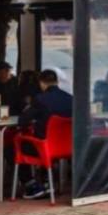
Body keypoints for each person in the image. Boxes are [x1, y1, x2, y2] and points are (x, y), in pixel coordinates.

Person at [17, 69, 73, 200]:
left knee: (15, 146)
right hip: (67, 147)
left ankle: (32, 185)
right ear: (57, 82)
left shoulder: (40, 99)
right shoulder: (70, 99)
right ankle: (47, 181)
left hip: (45, 147)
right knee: (41, 137)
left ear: (41, 83)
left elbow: (22, 120)